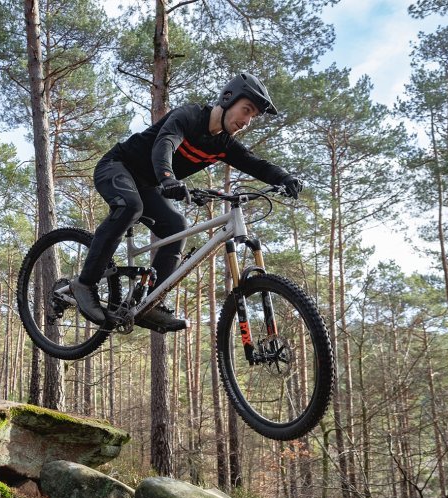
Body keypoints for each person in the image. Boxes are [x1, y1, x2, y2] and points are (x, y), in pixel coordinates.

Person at [70, 72, 302, 332]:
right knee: (130, 207)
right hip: (117, 166)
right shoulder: (190, 116)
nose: (247, 121)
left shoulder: (223, 144)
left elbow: (255, 163)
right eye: (246, 110)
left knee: (177, 226)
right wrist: (168, 178)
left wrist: (285, 178)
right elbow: (165, 143)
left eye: (253, 116)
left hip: (148, 185)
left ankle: (150, 303)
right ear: (228, 99)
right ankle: (84, 282)